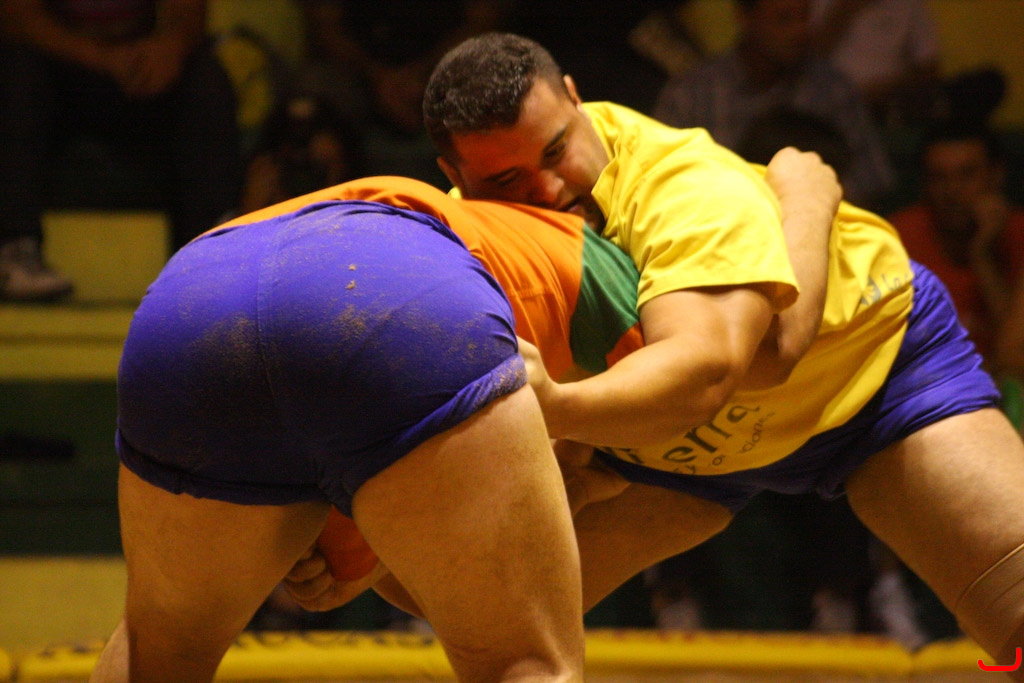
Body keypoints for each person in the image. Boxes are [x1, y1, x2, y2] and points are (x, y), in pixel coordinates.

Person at [413, 32, 1024, 673]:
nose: (549, 188)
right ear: (456, 178)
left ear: (574, 99)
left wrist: (807, 205)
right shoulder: (460, 237)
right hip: (675, 441)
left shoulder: (684, 184)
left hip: (866, 363)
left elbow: (762, 357)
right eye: (506, 180)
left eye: (556, 150)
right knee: (474, 614)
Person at [89, 174, 628, 682]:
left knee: (153, 652)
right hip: (387, 289)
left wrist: (352, 555)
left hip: (194, 289)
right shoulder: (617, 269)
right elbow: (685, 392)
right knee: (527, 666)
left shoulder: (458, 218)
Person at [0, 0, 244, 301]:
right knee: (16, 72)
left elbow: (189, 12)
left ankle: (208, 259)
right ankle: (14, 250)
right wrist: (100, 56)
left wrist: (171, 47)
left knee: (205, 77)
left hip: (139, 64)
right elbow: (14, 16)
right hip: (57, 63)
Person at [651, 0, 893, 209]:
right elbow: (661, 189)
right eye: (784, 19)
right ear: (745, 18)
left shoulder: (833, 89)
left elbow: (871, 184)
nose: (799, 30)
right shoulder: (690, 95)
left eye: (804, 17)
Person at [889, 118, 1024, 375]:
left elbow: (1016, 355)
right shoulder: (897, 239)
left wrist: (983, 258)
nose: (952, 191)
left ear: (996, 175)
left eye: (967, 174)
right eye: (938, 177)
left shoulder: (1018, 234)